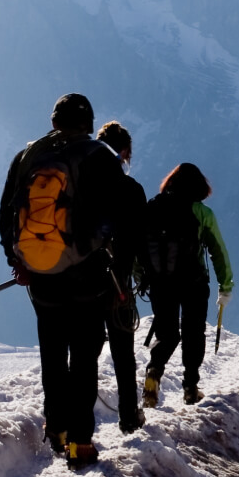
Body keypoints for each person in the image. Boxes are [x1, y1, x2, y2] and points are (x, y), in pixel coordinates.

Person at [0, 93, 143, 470]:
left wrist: (18, 260)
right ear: (89, 123)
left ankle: (57, 429)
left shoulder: (28, 157)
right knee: (83, 357)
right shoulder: (100, 156)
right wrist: (113, 260)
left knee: (52, 353)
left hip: (41, 277)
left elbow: (6, 214)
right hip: (88, 276)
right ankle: (81, 442)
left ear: (54, 121)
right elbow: (125, 216)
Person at [142, 162, 233, 408]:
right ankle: (191, 388)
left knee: (167, 334)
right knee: (193, 333)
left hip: (160, 282)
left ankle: (153, 373)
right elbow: (218, 252)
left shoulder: (153, 208)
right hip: (193, 282)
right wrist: (226, 285)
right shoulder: (202, 213)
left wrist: (143, 278)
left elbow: (138, 249)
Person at [95, 120, 147, 434]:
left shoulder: (79, 187)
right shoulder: (131, 189)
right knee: (123, 355)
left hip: (79, 282)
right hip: (118, 282)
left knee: (83, 354)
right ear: (125, 150)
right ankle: (128, 416)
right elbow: (142, 241)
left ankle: (73, 430)